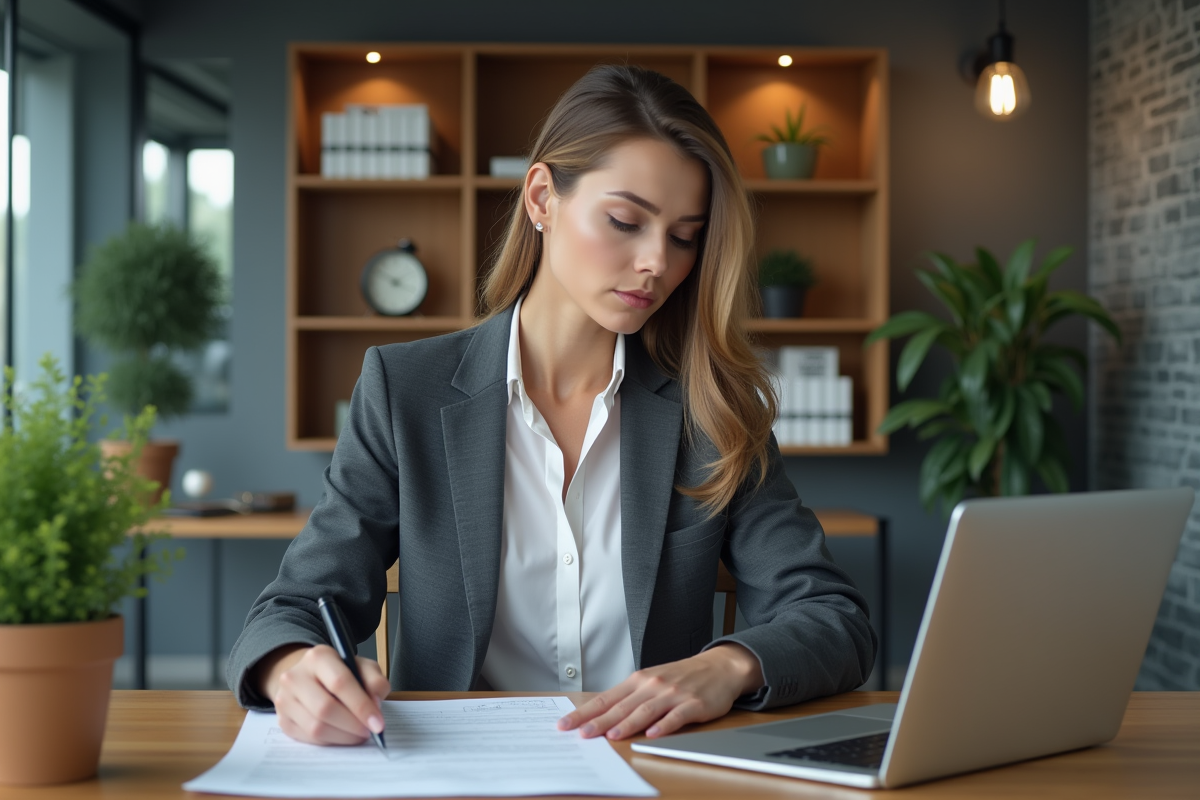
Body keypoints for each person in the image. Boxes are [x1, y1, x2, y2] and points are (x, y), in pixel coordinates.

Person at [227, 64, 875, 748]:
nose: (657, 260)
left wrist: (726, 664)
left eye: (685, 235)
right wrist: (292, 669)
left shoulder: (711, 408)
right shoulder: (403, 388)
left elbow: (834, 618)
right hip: (451, 774)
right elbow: (295, 605)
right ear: (542, 197)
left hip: (649, 772)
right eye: (626, 220)